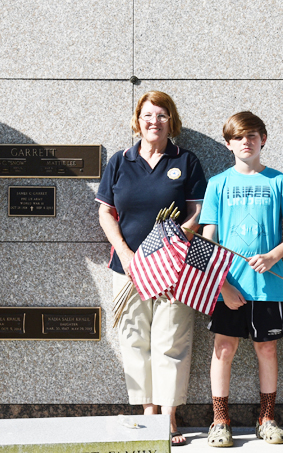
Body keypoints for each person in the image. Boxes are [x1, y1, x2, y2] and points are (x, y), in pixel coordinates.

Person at [95, 91, 207, 446]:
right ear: (137, 119)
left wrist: (171, 246)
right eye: (147, 115)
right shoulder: (119, 160)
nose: (153, 121)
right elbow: (105, 212)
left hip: (173, 268)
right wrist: (126, 254)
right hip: (127, 268)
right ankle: (149, 412)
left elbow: (196, 213)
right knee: (133, 339)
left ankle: (170, 416)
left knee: (170, 341)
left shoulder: (186, 161)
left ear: (171, 120)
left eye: (161, 115)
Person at [201, 111, 283, 447]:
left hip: (268, 284)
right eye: (240, 137)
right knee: (224, 349)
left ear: (263, 139)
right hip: (228, 285)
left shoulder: (279, 182)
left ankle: (267, 418)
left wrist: (273, 256)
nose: (247, 142)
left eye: (253, 135)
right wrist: (222, 285)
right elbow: (208, 239)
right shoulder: (218, 184)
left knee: (267, 348)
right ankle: (220, 420)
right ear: (229, 143)